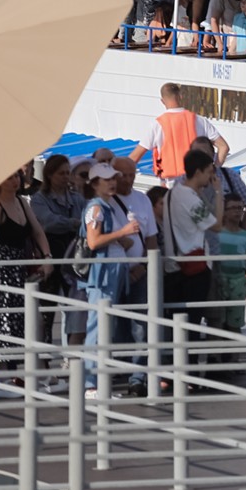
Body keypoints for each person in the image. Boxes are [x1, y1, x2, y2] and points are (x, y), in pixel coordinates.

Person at [0, 171, 53, 386]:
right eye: (10, 177)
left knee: (23, 322)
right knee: (2, 324)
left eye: (17, 177)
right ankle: (0, 377)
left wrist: (47, 257)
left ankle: (15, 375)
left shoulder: (21, 202)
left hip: (18, 270)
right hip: (0, 270)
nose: (15, 181)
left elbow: (38, 232)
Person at [80, 165, 141, 399]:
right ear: (94, 183)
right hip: (103, 274)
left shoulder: (107, 207)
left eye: (113, 179)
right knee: (97, 328)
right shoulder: (96, 207)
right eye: (105, 180)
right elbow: (93, 241)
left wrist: (122, 239)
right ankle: (90, 383)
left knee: (106, 328)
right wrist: (122, 233)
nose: (112, 183)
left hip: (112, 272)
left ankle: (98, 382)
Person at [30, 155, 87, 348]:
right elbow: (48, 222)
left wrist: (75, 225)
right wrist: (74, 223)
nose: (65, 177)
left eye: (67, 173)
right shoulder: (39, 199)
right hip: (52, 254)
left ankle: (71, 353)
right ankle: (44, 358)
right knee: (47, 310)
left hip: (74, 257)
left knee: (76, 308)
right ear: (50, 175)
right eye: (60, 173)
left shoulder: (77, 198)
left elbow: (85, 222)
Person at [111, 162, 158, 392]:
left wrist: (144, 265)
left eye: (132, 175)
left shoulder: (143, 200)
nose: (129, 180)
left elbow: (151, 238)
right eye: (124, 176)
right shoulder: (106, 202)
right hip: (114, 272)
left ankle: (137, 376)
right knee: (115, 324)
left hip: (139, 270)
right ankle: (120, 368)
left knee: (140, 324)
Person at [161, 151, 219, 331]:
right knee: (191, 326)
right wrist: (218, 192)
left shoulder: (172, 193)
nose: (212, 177)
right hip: (193, 268)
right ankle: (187, 360)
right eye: (209, 172)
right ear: (198, 172)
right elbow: (217, 225)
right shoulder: (189, 198)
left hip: (173, 266)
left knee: (176, 325)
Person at [127, 83, 229, 182]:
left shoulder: (158, 124)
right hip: (198, 182)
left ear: (162, 101)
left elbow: (134, 158)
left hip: (171, 184)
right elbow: (224, 147)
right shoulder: (199, 120)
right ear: (181, 96)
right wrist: (214, 170)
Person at [211, 201, 246, 336]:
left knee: (235, 322)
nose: (238, 211)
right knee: (217, 321)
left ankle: (233, 355)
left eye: (240, 208)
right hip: (218, 279)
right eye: (233, 208)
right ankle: (215, 355)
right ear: (224, 212)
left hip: (238, 281)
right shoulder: (215, 233)